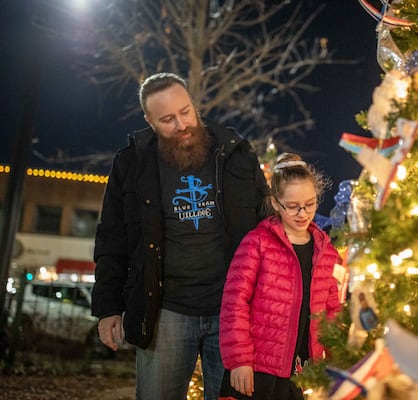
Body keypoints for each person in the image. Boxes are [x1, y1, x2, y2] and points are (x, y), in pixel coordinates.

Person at [91, 72, 269, 400]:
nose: (182, 124)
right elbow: (112, 238)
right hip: (164, 312)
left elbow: (267, 227)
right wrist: (107, 308)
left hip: (232, 311)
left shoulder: (236, 153)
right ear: (149, 120)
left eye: (186, 111)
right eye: (168, 119)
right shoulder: (131, 164)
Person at [219, 153, 342, 399]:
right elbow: (234, 303)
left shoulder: (326, 252)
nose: (303, 213)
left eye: (310, 204)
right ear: (275, 203)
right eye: (293, 206)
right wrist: (239, 360)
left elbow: (332, 310)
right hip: (258, 371)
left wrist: (337, 358)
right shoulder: (257, 243)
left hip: (303, 371)